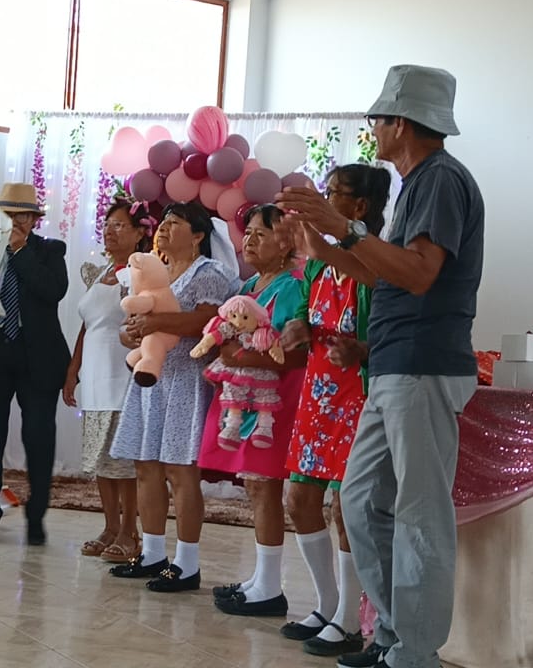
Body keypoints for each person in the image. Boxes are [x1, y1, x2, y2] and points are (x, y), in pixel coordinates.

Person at [277, 65, 485, 668]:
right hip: (395, 366)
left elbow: (418, 275)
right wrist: (321, 244)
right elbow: (382, 274)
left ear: (401, 122)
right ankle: (395, 635)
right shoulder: (420, 183)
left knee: (418, 513)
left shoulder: (440, 179)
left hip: (422, 365)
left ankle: (415, 653)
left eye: (376, 119)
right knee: (363, 500)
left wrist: (344, 228)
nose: (371, 129)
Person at [276, 164, 390, 658]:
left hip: (358, 397)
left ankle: (348, 618)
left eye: (334, 193)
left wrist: (361, 350)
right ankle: (325, 604)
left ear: (359, 207)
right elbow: (307, 309)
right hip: (317, 395)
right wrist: (300, 327)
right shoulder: (319, 263)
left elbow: (396, 327)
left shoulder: (375, 261)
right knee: (299, 498)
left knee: (348, 508)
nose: (324, 199)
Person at [108, 202, 238, 592]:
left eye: (175, 222)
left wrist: (156, 322)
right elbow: (131, 326)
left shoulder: (209, 272)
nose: (163, 228)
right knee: (146, 465)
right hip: (152, 380)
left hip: (187, 379)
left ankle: (187, 563)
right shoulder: (154, 272)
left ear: (198, 236)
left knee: (180, 471)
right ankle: (151, 554)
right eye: (163, 222)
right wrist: (132, 333)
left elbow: (208, 320)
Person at [197, 204, 307, 615]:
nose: (250, 240)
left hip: (273, 400)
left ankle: (270, 588)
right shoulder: (251, 284)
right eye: (248, 233)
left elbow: (294, 352)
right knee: (254, 486)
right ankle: (261, 578)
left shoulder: (293, 285)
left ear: (287, 243)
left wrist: (240, 357)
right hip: (245, 394)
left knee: (265, 487)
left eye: (262, 233)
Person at [0, 182, 69, 545]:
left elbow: (53, 291)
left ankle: (36, 518)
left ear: (34, 220)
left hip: (37, 355)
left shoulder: (50, 250)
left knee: (38, 436)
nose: (14, 222)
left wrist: (19, 252)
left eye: (22, 216)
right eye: (7, 215)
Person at [62, 199, 156, 562]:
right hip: (95, 376)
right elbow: (88, 326)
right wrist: (73, 369)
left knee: (123, 460)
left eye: (119, 225)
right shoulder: (97, 272)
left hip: (124, 375)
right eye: (107, 224)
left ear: (139, 233)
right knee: (101, 459)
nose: (110, 231)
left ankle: (130, 530)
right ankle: (109, 525)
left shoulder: (141, 273)